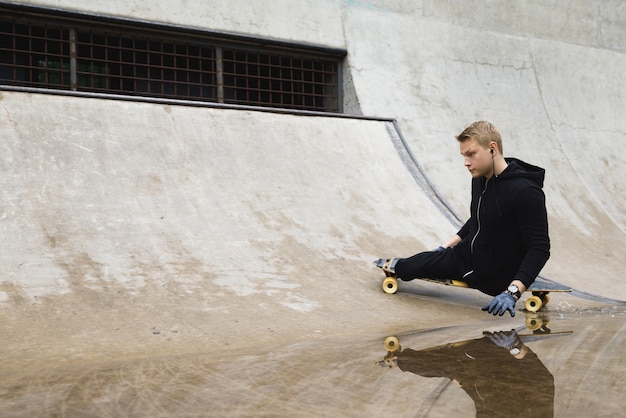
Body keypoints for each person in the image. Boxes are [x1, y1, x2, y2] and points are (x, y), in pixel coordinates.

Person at [375, 121, 550, 317]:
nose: (466, 162)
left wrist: (513, 292)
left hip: (497, 274)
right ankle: (406, 264)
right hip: (467, 256)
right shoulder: (480, 178)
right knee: (407, 267)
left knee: (413, 266)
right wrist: (447, 245)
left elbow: (540, 248)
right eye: (464, 156)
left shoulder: (526, 192)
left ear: (492, 149)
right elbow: (480, 216)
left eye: (471, 154)